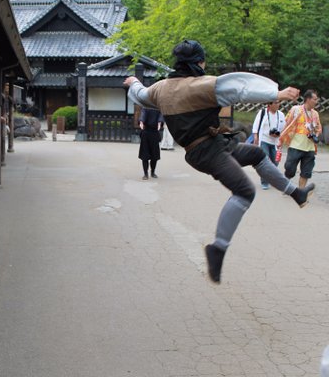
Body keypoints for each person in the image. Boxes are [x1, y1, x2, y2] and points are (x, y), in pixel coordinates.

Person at [124, 39, 315, 284]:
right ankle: (218, 248)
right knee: (245, 191)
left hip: (213, 146)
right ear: (198, 62)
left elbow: (140, 96)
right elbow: (240, 88)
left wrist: (133, 82)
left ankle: (295, 193)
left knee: (256, 154)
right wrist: (276, 94)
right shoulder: (204, 86)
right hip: (207, 150)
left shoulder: (160, 89)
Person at [280, 89, 322, 188]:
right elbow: (287, 123)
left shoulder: (315, 114)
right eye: (315, 99)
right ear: (308, 99)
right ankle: (287, 186)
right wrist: (282, 137)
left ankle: (301, 192)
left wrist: (316, 135)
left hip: (310, 147)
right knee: (290, 169)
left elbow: (319, 128)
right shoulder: (296, 109)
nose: (317, 101)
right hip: (296, 145)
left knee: (306, 172)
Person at [252, 101, 285, 189]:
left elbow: (283, 129)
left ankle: (271, 179)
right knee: (265, 161)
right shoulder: (263, 112)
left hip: (275, 142)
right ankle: (264, 182)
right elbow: (256, 125)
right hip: (264, 140)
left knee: (275, 162)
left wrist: (279, 136)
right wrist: (255, 137)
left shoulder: (281, 114)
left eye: (279, 103)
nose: (278, 104)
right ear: (269, 105)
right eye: (276, 103)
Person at [138, 107, 164, 180]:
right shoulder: (145, 106)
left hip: (154, 133)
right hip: (146, 132)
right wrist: (141, 121)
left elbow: (161, 115)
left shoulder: (158, 107)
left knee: (154, 156)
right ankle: (145, 173)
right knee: (144, 155)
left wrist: (159, 122)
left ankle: (153, 172)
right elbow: (143, 114)